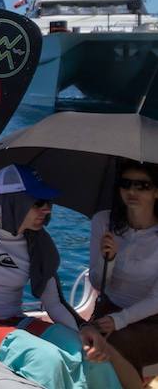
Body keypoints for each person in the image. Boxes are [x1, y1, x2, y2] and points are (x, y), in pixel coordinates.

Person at [0, 165, 123, 389]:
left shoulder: (39, 244)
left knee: (89, 354)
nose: (47, 210)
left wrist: (85, 329)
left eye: (48, 203)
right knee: (45, 359)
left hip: (15, 320)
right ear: (13, 201)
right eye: (38, 203)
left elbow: (54, 303)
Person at [89, 160, 158, 385]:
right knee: (85, 340)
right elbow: (98, 282)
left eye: (142, 186)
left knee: (112, 344)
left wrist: (120, 319)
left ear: (157, 191)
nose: (131, 191)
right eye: (125, 184)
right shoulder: (103, 222)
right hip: (110, 308)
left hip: (151, 318)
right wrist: (107, 258)